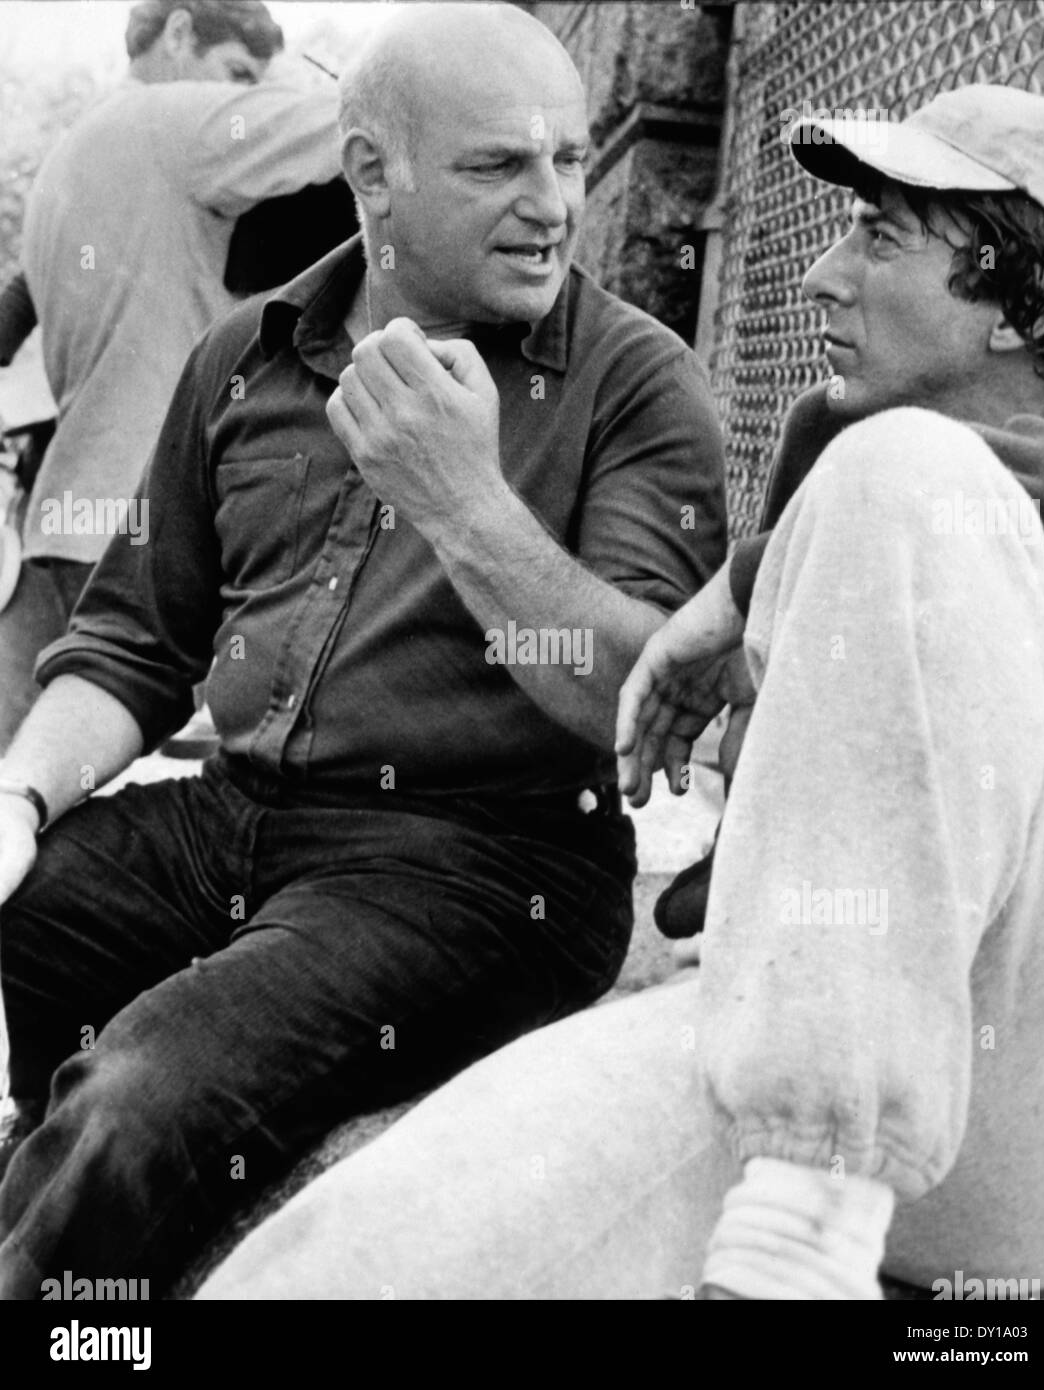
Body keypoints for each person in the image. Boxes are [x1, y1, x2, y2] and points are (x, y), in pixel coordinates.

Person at [194, 83, 1044, 1302]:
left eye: (879, 236)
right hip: (791, 1055)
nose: (822, 276)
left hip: (1027, 1117)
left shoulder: (916, 475)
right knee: (350, 1259)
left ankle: (792, 1256)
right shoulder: (841, 443)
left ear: (1027, 303)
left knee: (903, 474)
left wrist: (741, 586)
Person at [0, 1, 726, 1299]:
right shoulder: (244, 352)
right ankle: (79, 1226)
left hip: (488, 860)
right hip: (240, 809)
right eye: (499, 164)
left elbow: (641, 698)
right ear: (371, 174)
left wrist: (460, 499)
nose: (555, 202)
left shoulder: (633, 377)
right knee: (37, 918)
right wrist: (22, 791)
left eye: (565, 157)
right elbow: (129, 640)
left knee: (142, 1089)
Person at [0, 0, 344, 749]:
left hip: (63, 524)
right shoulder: (181, 122)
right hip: (154, 531)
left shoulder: (69, 157)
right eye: (238, 75)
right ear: (182, 32)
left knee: (21, 774)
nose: (244, 95)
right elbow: (367, 121)